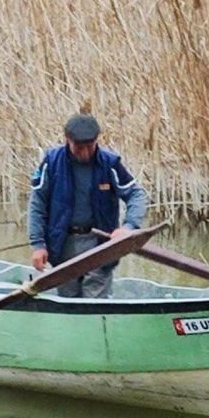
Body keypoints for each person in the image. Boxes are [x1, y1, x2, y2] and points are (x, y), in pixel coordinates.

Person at [28, 113, 148, 298]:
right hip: (63, 243)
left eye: (89, 147)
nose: (84, 153)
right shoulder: (51, 162)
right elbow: (37, 204)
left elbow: (136, 195)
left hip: (100, 245)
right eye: (79, 147)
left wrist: (128, 227)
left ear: (96, 141)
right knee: (67, 299)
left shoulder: (110, 163)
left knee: (95, 301)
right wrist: (38, 245)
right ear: (67, 139)